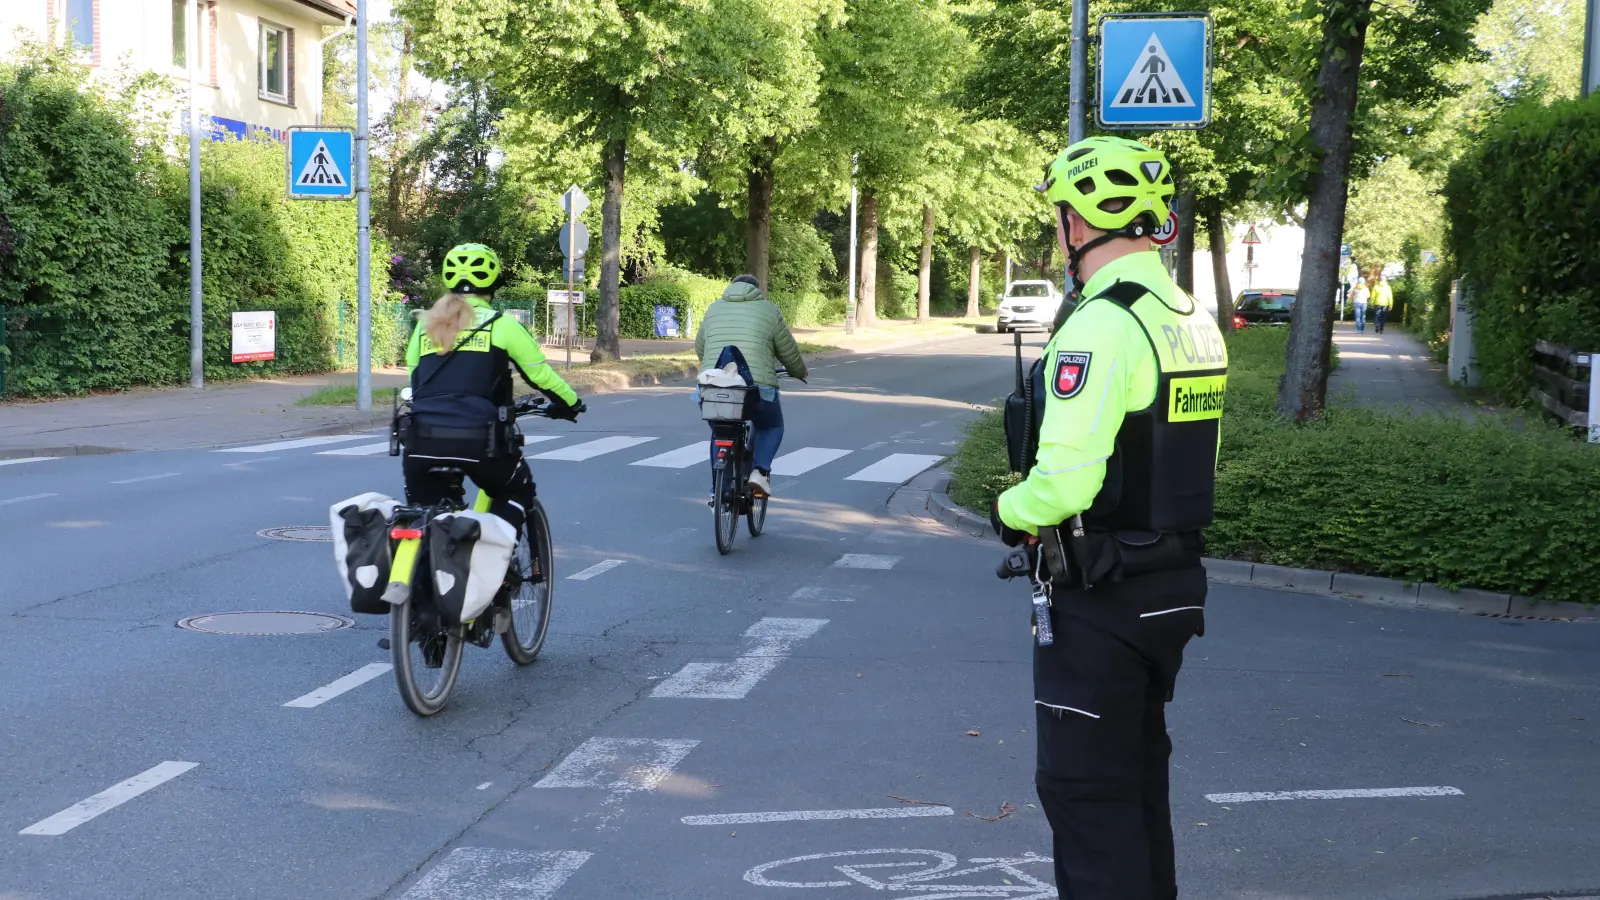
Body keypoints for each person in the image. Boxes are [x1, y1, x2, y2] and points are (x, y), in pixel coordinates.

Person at [992, 136, 1226, 900]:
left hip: (1103, 593)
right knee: (1136, 787)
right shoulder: (1187, 315)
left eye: (1060, 216)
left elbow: (1065, 483)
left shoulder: (1102, 323)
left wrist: (1009, 510)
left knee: (1086, 796)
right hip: (1172, 585)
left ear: (1078, 221)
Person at [402, 242, 582, 536]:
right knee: (517, 490)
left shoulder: (425, 327)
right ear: (494, 284)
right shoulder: (502, 325)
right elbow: (540, 375)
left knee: (426, 518)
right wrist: (570, 403)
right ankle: (494, 558)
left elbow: (414, 380)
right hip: (480, 441)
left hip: (421, 441)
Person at [694, 274, 808, 497]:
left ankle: (720, 490)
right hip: (755, 388)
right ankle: (760, 471)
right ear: (758, 290)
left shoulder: (713, 308)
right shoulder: (769, 310)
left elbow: (700, 348)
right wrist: (799, 371)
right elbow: (787, 351)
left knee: (720, 430)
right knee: (771, 426)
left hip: (712, 386)